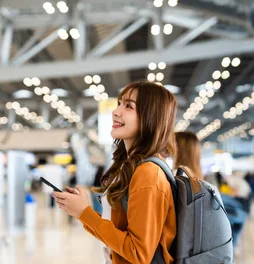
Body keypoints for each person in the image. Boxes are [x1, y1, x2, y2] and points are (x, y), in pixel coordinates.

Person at [53, 81, 177, 263]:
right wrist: (84, 212)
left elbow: (138, 253)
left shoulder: (148, 173)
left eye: (128, 106)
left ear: (150, 117)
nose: (116, 111)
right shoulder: (133, 168)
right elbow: (119, 236)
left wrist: (84, 213)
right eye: (120, 103)